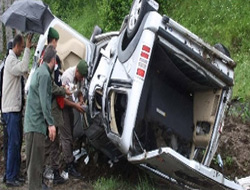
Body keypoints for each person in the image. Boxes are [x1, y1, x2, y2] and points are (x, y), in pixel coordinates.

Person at [1, 33, 33, 187]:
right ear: (17, 45)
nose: (22, 50)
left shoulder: (13, 60)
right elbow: (23, 67)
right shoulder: (10, 60)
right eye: (21, 47)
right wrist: (28, 49)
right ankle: (10, 177)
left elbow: (25, 71)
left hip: (15, 109)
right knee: (13, 143)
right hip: (10, 110)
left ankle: (13, 174)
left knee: (17, 142)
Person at [24, 45, 57, 190]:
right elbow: (44, 102)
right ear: (54, 60)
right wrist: (51, 124)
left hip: (32, 124)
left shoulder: (39, 71)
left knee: (34, 166)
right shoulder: (44, 75)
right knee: (35, 166)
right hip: (36, 125)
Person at [42, 27, 68, 185]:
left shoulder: (44, 56)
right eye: (56, 42)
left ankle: (49, 169)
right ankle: (53, 172)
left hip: (51, 103)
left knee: (50, 140)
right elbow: (51, 85)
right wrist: (63, 91)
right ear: (54, 41)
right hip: (52, 105)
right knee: (53, 140)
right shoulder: (51, 58)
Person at [60, 59, 88, 178]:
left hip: (70, 106)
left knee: (70, 134)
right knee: (66, 137)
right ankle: (69, 164)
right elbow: (62, 99)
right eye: (81, 76)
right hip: (62, 107)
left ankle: (70, 159)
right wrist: (76, 105)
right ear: (77, 71)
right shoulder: (67, 77)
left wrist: (81, 99)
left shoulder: (79, 78)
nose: (81, 79)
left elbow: (79, 91)